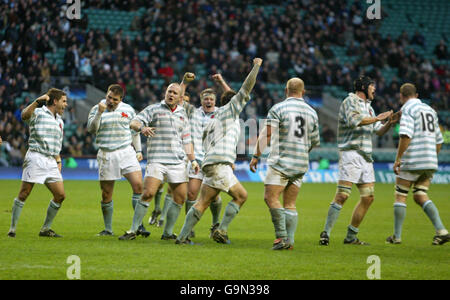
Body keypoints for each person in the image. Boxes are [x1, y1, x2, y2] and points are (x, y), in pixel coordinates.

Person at [175, 57, 263, 245]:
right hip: (219, 165)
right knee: (230, 198)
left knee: (216, 200)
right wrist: (256, 66)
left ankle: (197, 235)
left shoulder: (215, 118)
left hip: (213, 163)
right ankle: (213, 232)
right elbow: (245, 88)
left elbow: (207, 143)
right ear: (235, 103)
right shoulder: (231, 110)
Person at [318, 76, 399, 246]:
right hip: (351, 154)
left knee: (368, 197)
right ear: (363, 87)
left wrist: (389, 123)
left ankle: (351, 236)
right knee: (342, 195)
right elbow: (355, 121)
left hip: (366, 157)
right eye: (372, 86)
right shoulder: (350, 101)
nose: (374, 89)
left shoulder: (369, 108)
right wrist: (378, 118)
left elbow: (378, 131)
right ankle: (325, 233)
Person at [118, 74, 199, 240]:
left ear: (180, 97)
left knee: (180, 198)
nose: (171, 95)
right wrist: (142, 128)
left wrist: (193, 160)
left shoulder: (184, 114)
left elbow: (187, 139)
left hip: (177, 162)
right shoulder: (154, 109)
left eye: (175, 93)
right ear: (165, 93)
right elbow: (133, 122)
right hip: (157, 160)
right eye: (169, 91)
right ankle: (133, 230)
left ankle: (168, 233)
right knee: (148, 193)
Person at [249, 78, 320, 250]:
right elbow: (314, 141)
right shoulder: (312, 112)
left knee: (270, 197)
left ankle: (281, 237)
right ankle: (290, 242)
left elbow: (266, 135)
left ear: (286, 90)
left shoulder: (279, 108)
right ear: (303, 92)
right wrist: (302, 153)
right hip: (300, 163)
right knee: (290, 204)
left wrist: (256, 155)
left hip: (281, 162)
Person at [386, 83, 449, 245]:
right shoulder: (430, 110)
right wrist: (431, 157)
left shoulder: (407, 109)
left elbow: (405, 135)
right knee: (420, 194)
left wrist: (398, 158)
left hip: (414, 159)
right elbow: (439, 140)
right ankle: (441, 230)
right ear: (417, 95)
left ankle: (397, 236)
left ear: (401, 96)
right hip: (430, 160)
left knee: (401, 195)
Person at [87, 84, 149, 237]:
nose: (111, 101)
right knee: (106, 193)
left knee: (138, 186)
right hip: (107, 153)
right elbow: (91, 129)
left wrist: (139, 150)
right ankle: (108, 229)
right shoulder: (97, 108)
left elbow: (134, 131)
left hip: (126, 151)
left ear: (121, 99)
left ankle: (139, 225)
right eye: (109, 97)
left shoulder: (128, 110)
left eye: (115, 99)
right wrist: (99, 114)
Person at [7, 88, 68, 238]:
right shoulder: (39, 112)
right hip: (36, 157)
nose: (66, 105)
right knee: (24, 193)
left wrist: (58, 160)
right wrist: (36, 102)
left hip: (51, 161)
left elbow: (56, 144)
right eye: (64, 101)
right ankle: (12, 229)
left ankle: (45, 229)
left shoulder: (60, 121)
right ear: (55, 101)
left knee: (60, 195)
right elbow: (24, 116)